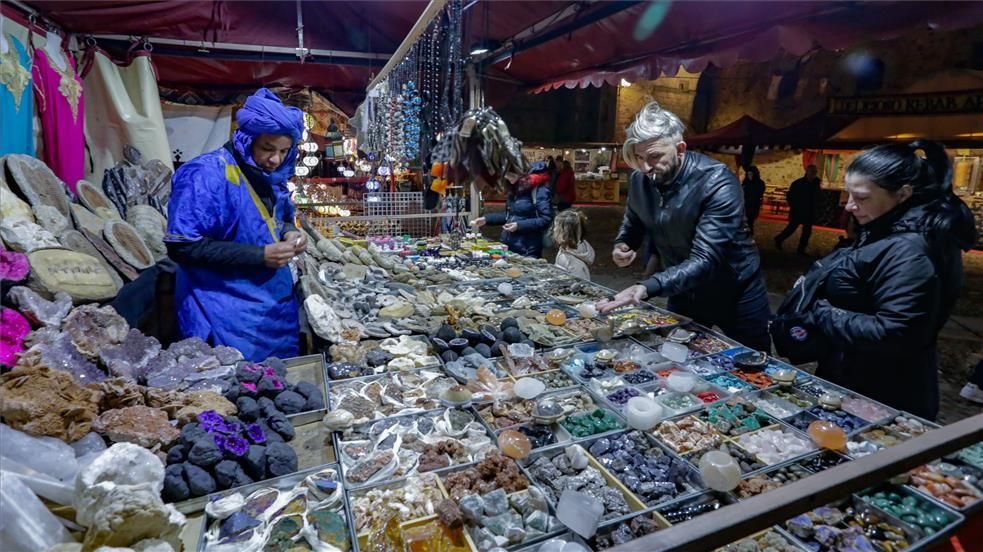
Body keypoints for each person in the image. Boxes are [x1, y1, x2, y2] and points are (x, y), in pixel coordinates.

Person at [774, 141, 976, 419]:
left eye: (862, 197)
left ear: (903, 194)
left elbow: (896, 332)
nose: (850, 206)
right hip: (858, 374)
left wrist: (824, 313)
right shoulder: (888, 225)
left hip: (883, 391)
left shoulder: (909, 250)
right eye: (848, 194)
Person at [597, 101, 771, 352]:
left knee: (753, 360)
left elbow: (706, 259)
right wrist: (624, 243)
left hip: (734, 291)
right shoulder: (641, 178)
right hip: (682, 288)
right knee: (678, 355)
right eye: (639, 157)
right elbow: (634, 219)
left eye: (655, 157)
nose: (645, 167)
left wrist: (646, 287)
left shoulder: (717, 181)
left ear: (680, 149)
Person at [166, 88, 306, 361]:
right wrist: (260, 255)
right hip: (224, 311)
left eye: (284, 151)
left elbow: (282, 218)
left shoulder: (272, 175)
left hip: (272, 308)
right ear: (247, 139)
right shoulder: (206, 175)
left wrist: (292, 233)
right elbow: (182, 246)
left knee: (279, 388)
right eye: (268, 148)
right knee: (234, 391)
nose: (275, 159)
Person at [472, 163, 554, 258]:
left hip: (528, 248)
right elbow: (509, 215)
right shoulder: (514, 189)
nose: (509, 178)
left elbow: (546, 219)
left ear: (522, 173)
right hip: (510, 245)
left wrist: (519, 225)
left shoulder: (539, 190)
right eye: (506, 175)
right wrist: (486, 219)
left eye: (511, 175)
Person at [774, 165, 821, 255]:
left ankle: (801, 249)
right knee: (792, 228)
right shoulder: (798, 183)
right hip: (798, 210)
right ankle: (779, 238)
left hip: (809, 211)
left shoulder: (816, 183)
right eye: (812, 172)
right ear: (807, 172)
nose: (813, 174)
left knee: (807, 231)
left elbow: (817, 196)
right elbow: (790, 196)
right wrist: (794, 206)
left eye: (815, 172)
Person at [552, 209, 594, 280]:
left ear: (565, 234)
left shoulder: (575, 265)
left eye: (556, 227)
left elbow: (579, 287)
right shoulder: (565, 249)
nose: (553, 230)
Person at [742, 166, 766, 233]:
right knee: (744, 221)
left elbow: (760, 193)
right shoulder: (746, 182)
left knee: (750, 220)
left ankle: (749, 234)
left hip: (753, 204)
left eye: (751, 174)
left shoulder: (760, 183)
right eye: (748, 174)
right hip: (745, 204)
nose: (749, 176)